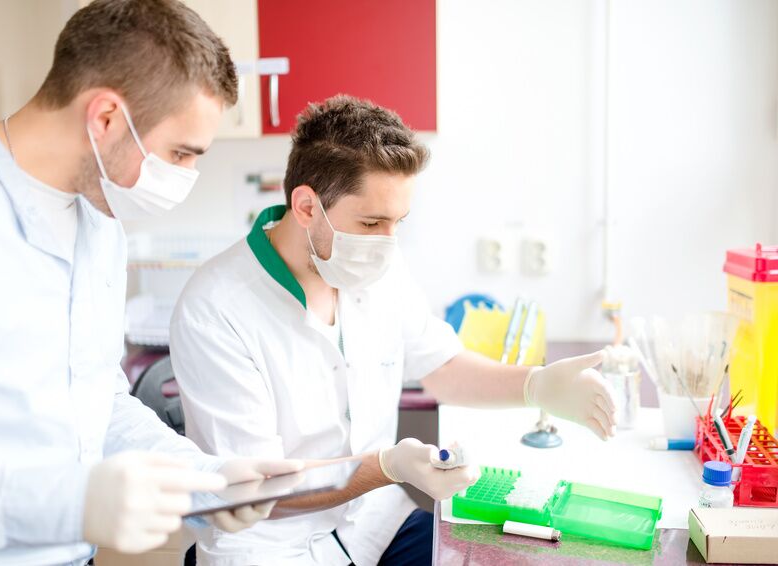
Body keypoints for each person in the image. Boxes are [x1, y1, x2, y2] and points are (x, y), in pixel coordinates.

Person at [170, 95, 618, 565]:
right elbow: (259, 488)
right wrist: (389, 466)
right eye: (370, 222)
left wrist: (536, 385)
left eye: (397, 222)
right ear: (305, 206)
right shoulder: (215, 308)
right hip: (271, 546)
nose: (388, 243)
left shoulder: (376, 265)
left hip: (375, 525)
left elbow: (441, 365)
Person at [0, 1, 300, 564]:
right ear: (104, 117)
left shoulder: (100, 222)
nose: (186, 177)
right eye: (180, 153)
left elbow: (97, 403)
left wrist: (207, 476)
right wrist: (72, 504)